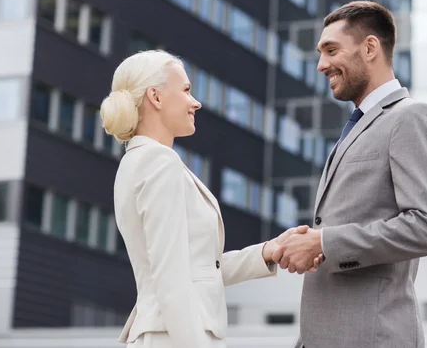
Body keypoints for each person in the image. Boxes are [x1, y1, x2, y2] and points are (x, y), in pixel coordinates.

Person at [100, 50, 318, 348]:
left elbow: (197, 269)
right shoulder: (160, 163)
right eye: (187, 90)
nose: (196, 102)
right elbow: (171, 278)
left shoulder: (138, 161)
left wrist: (267, 251)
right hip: (175, 337)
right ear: (156, 97)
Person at [272, 1, 427, 348]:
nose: (322, 64)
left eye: (331, 50)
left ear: (370, 47)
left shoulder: (411, 118)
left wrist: (324, 242)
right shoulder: (356, 129)